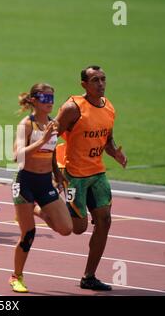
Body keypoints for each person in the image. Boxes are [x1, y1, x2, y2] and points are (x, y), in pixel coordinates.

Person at [55, 65, 127, 291]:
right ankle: (48, 208)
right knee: (77, 228)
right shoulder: (72, 108)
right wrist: (53, 172)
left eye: (103, 79)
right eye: (95, 80)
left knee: (105, 221)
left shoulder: (109, 107)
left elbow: (108, 140)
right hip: (74, 175)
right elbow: (49, 137)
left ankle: (89, 276)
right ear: (84, 85)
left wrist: (115, 152)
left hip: (97, 174)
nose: (101, 84)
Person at [10, 83, 73, 293]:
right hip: (25, 182)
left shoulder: (53, 124)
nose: (50, 103)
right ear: (34, 100)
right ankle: (16, 276)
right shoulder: (26, 124)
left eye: (52, 98)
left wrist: (57, 172)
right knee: (28, 234)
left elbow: (52, 150)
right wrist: (42, 140)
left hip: (45, 182)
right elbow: (16, 155)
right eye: (45, 98)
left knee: (65, 228)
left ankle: (35, 209)